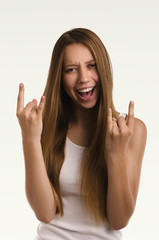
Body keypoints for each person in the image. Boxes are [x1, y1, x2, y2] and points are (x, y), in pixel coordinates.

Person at [16, 28, 147, 240]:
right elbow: (45, 213)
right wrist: (29, 138)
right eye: (71, 69)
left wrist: (115, 154)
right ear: (59, 76)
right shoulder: (44, 126)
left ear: (103, 68)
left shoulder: (131, 130)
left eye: (91, 66)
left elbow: (119, 220)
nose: (83, 78)